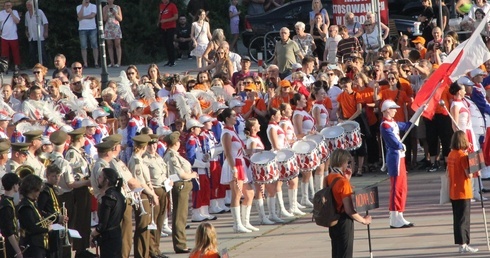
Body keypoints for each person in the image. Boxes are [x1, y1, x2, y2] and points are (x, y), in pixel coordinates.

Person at [325, 149, 371, 258]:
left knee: (336, 253)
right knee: (345, 254)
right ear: (343, 162)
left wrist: (347, 179)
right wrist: (364, 220)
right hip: (343, 222)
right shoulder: (343, 183)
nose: (349, 164)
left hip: (332, 219)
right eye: (348, 162)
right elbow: (349, 210)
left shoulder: (328, 178)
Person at [218, 108, 255, 233]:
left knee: (249, 193)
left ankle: (245, 222)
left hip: (240, 163)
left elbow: (241, 151)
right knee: (237, 195)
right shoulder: (226, 133)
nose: (236, 117)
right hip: (234, 164)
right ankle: (237, 224)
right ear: (227, 118)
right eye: (233, 116)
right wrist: (233, 168)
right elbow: (228, 153)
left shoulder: (232, 131)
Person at [379, 100, 414, 228]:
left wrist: (417, 114)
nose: (395, 110)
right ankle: (394, 217)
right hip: (394, 158)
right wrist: (401, 145)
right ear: (387, 109)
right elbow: (393, 142)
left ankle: (400, 214)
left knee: (402, 187)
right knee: (396, 188)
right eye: (393, 108)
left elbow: (406, 126)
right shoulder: (385, 125)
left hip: (400, 156)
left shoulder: (392, 123)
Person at [163, 131, 198, 253]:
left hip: (182, 185)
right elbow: (181, 174)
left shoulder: (174, 155)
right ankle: (180, 244)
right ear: (175, 143)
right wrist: (192, 175)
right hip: (180, 185)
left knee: (182, 216)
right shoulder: (172, 156)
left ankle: (181, 243)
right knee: (179, 216)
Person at [447, 130, 479, 254]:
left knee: (457, 218)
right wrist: (473, 159)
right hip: (463, 190)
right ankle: (464, 243)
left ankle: (461, 243)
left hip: (453, 190)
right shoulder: (462, 156)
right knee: (464, 219)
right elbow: (469, 174)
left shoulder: (451, 154)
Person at [90, 168, 126, 258]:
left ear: (106, 181)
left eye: (100, 177)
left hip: (109, 239)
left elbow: (103, 224)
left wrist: (92, 235)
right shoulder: (119, 195)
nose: (98, 178)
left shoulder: (108, 198)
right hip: (116, 235)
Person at [37, 164, 69, 258]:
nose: (56, 178)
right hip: (50, 225)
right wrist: (57, 218)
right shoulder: (45, 191)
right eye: (53, 176)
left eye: (58, 176)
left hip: (57, 225)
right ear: (47, 177)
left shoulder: (54, 189)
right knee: (53, 253)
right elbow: (40, 210)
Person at [18, 174, 51, 258]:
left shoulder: (32, 203)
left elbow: (39, 217)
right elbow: (31, 228)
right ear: (32, 189)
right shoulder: (25, 206)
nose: (39, 193)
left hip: (39, 245)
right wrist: (47, 229)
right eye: (38, 190)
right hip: (32, 246)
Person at [0, 173, 23, 258]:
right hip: (10, 245)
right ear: (14, 185)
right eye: (18, 184)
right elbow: (9, 231)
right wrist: (19, 252)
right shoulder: (6, 205)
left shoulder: (8, 201)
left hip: (14, 241)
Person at [25, 0, 49, 66]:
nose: (28, 6)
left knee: (42, 52)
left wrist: (46, 32)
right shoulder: (27, 14)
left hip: (39, 35)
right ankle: (34, 66)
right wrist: (26, 32)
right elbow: (26, 25)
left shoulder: (39, 12)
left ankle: (45, 65)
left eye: (30, 5)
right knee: (32, 52)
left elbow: (45, 22)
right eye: (27, 5)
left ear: (33, 5)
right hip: (31, 36)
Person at [76, 0, 99, 68]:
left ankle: (96, 62)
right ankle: (85, 63)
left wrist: (82, 18)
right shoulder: (78, 7)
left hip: (92, 28)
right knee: (83, 46)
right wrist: (83, 6)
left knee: (94, 45)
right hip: (82, 29)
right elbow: (79, 15)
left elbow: (92, 15)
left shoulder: (93, 6)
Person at [0, 1, 21, 71]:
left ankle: (16, 66)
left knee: (15, 52)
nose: (8, 7)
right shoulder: (1, 13)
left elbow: (17, 21)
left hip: (13, 36)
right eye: (6, 5)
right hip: (4, 36)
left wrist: (11, 13)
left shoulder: (15, 12)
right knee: (4, 53)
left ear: (11, 6)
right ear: (4, 6)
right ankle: (5, 66)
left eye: (9, 5)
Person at [103, 0, 123, 68]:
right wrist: (107, 12)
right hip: (108, 27)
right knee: (109, 45)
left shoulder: (117, 7)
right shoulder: (105, 8)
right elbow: (104, 19)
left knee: (117, 44)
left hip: (116, 27)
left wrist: (115, 14)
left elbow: (120, 19)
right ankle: (112, 62)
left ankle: (118, 62)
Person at [159, 0, 178, 67]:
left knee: (170, 43)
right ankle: (169, 60)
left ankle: (173, 60)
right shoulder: (161, 5)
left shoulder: (172, 5)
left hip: (171, 27)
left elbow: (176, 17)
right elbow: (160, 14)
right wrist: (158, 21)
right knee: (165, 44)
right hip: (163, 27)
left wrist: (166, 20)